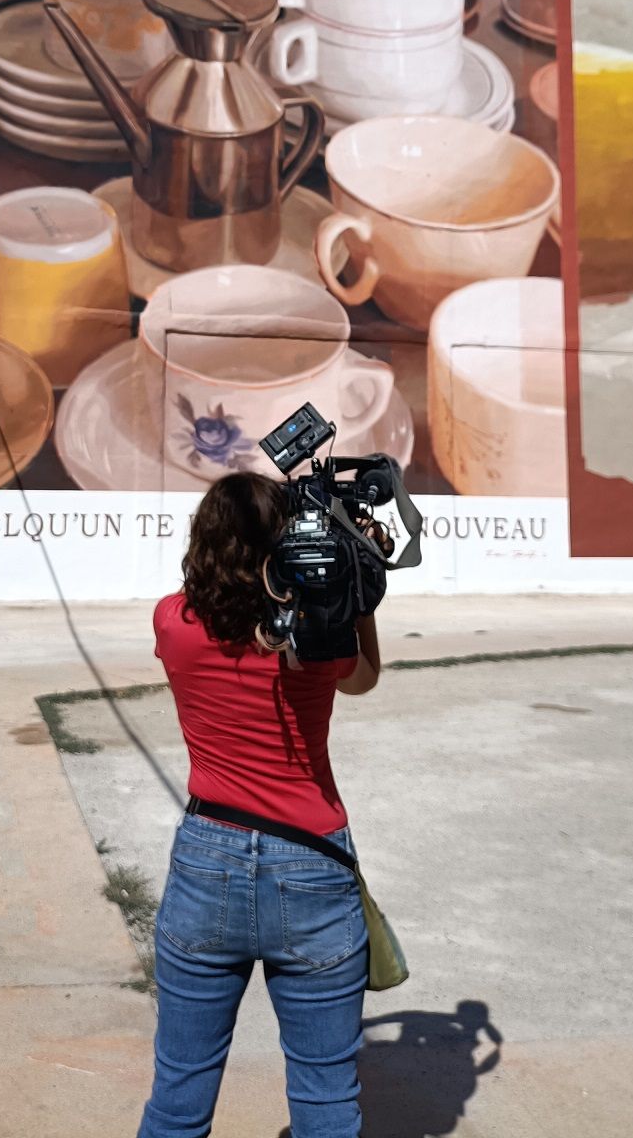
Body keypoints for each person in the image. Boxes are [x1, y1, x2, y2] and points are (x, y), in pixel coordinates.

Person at [137, 471, 386, 1138]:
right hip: (313, 863)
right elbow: (363, 678)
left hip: (206, 858)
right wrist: (353, 584)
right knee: (326, 1095)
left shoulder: (174, 621)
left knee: (178, 1094)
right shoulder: (316, 640)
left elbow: (217, 617)